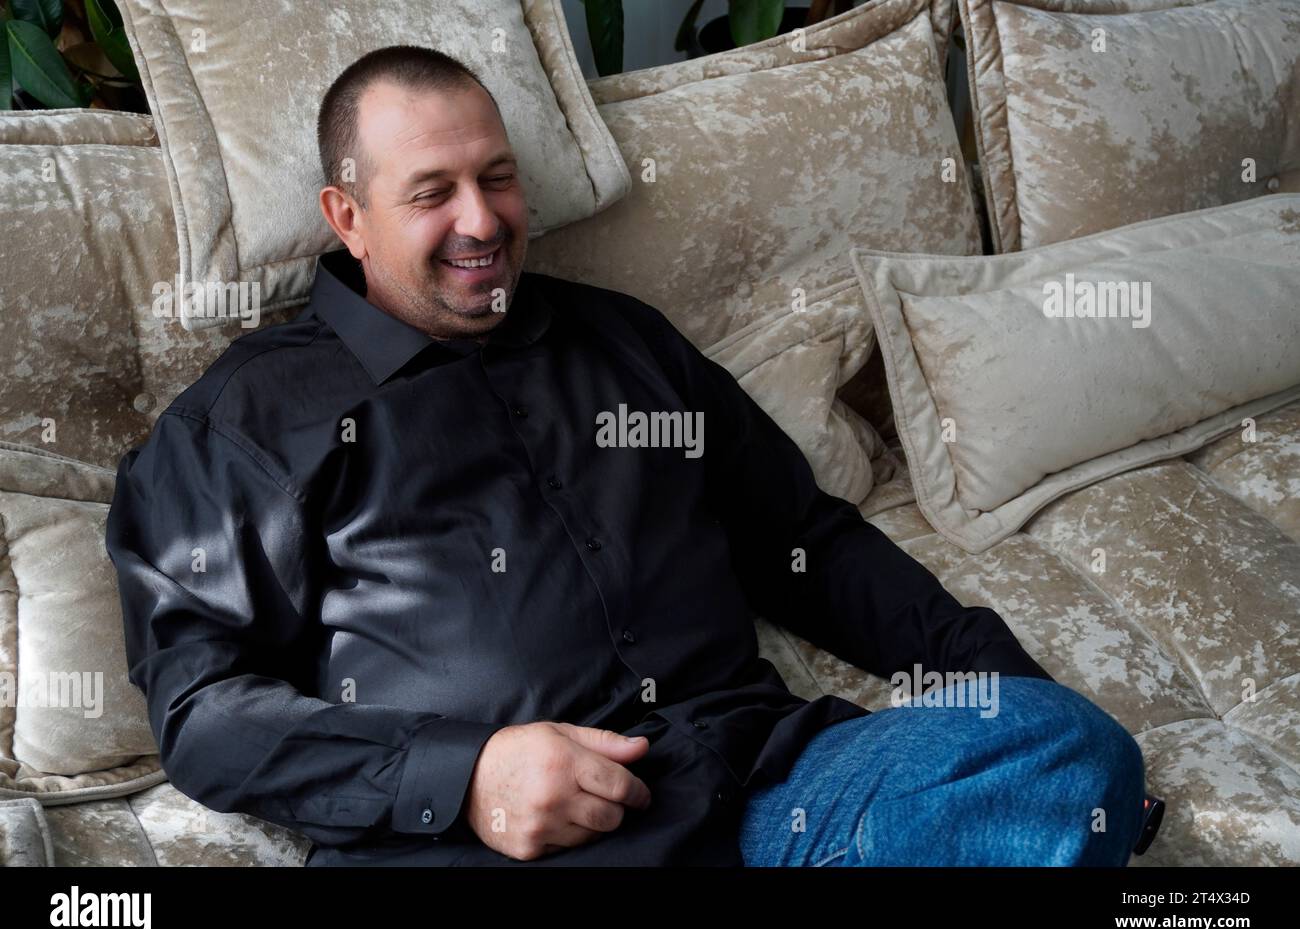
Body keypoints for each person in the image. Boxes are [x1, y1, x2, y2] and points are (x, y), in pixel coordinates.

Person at [105, 45, 1146, 867]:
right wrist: (465, 771)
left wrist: (1000, 692)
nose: (482, 222)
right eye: (432, 193)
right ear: (349, 218)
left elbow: (805, 542)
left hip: (768, 799)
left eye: (497, 178)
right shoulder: (241, 422)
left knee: (1070, 745)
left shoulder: (624, 341)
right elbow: (204, 711)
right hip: (485, 847)